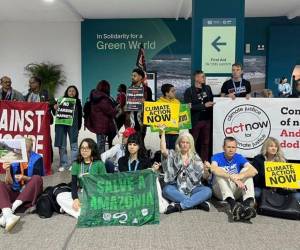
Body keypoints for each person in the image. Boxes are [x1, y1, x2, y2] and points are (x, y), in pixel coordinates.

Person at [160, 129, 212, 214]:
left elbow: (204, 177)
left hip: (192, 188)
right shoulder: (173, 154)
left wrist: (206, 170)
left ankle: (180, 206)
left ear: (190, 144)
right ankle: (197, 203)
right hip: (176, 187)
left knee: (208, 191)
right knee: (166, 190)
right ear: (179, 143)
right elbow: (163, 151)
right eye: (182, 142)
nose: (184, 145)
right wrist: (162, 133)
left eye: (187, 143)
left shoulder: (195, 157)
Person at [207, 137, 258, 221]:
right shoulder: (217, 156)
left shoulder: (238, 157)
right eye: (229, 147)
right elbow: (213, 169)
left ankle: (247, 205)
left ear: (236, 148)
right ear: (224, 147)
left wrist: (240, 176)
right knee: (221, 170)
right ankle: (232, 204)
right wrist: (232, 177)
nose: (231, 150)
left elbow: (254, 171)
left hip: (235, 189)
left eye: (233, 147)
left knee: (247, 171)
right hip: (220, 191)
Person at [0, 138, 44, 231]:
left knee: (37, 179)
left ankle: (11, 209)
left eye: (26, 149)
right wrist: (7, 171)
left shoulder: (37, 158)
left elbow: (37, 181)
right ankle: (8, 214)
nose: (23, 151)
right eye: (21, 149)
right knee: (1, 184)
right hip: (16, 191)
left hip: (29, 193)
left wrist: (24, 178)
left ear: (30, 149)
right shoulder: (14, 159)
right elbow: (9, 183)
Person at [56, 138, 106, 219]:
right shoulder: (76, 164)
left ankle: (73, 210)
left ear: (92, 149)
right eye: (82, 148)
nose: (84, 150)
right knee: (60, 196)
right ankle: (82, 213)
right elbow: (74, 185)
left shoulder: (99, 164)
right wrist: (75, 199)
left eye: (87, 148)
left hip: (95, 194)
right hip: (81, 193)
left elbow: (104, 183)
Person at [252, 137, 300, 203]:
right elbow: (255, 179)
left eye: (276, 146)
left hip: (280, 190)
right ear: (266, 147)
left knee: (297, 196)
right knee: (256, 193)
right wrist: (268, 179)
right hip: (263, 188)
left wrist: (289, 186)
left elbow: (289, 181)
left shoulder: (283, 160)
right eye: (271, 146)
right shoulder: (258, 159)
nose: (274, 148)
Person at [184, 70, 214, 161]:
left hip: (207, 120)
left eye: (204, 76)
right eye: (202, 77)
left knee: (206, 143)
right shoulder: (189, 91)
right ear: (196, 78)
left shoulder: (207, 88)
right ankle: (191, 160)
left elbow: (212, 99)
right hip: (195, 121)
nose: (204, 78)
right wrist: (203, 106)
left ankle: (204, 162)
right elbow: (189, 107)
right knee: (192, 142)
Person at [54, 85, 82, 172]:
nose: (72, 92)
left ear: (76, 93)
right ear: (67, 92)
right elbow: (55, 114)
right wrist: (55, 108)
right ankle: (64, 164)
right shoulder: (61, 101)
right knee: (62, 146)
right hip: (61, 126)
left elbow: (80, 116)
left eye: (74, 91)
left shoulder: (78, 102)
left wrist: (78, 127)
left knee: (74, 146)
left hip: (73, 126)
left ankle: (74, 164)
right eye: (70, 91)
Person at [85, 80, 117, 154]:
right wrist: (116, 109)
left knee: (100, 142)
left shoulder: (95, 97)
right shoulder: (103, 99)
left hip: (96, 124)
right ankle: (100, 160)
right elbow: (110, 111)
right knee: (101, 145)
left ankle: (99, 158)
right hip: (103, 125)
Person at [127, 68, 153, 141]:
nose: (132, 77)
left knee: (141, 139)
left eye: (134, 76)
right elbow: (127, 106)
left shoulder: (147, 89)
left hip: (142, 119)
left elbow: (151, 103)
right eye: (132, 75)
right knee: (133, 139)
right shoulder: (129, 89)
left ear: (140, 77)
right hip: (132, 120)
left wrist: (145, 102)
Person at [157, 83, 181, 150]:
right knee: (165, 151)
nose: (174, 92)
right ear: (166, 93)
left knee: (174, 152)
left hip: (175, 131)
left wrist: (187, 108)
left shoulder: (177, 102)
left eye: (174, 91)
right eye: (172, 91)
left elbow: (181, 115)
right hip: (164, 132)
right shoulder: (158, 103)